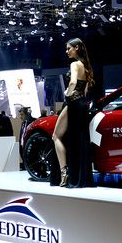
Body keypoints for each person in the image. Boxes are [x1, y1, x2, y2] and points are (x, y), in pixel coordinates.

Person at [51, 38, 94, 188]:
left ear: (77, 48)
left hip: (73, 103)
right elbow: (85, 91)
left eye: (69, 48)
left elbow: (73, 82)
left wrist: (67, 94)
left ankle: (64, 173)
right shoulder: (86, 67)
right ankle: (78, 174)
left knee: (56, 136)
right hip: (82, 105)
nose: (67, 51)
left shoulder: (74, 64)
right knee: (79, 140)